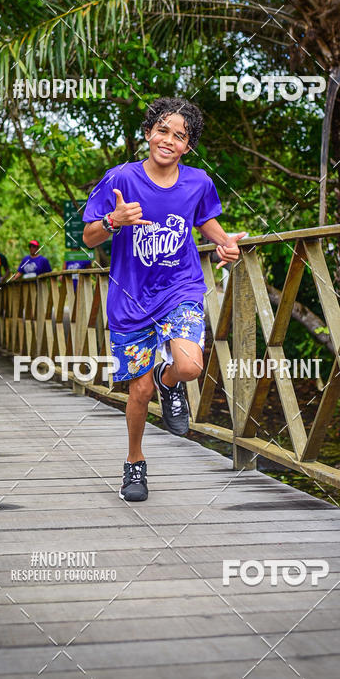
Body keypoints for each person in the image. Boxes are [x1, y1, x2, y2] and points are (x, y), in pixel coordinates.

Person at [82, 97, 246, 502]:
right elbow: (88, 237)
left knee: (189, 366)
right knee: (138, 394)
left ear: (187, 147)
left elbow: (202, 219)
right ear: (148, 133)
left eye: (179, 136)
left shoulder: (198, 182)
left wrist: (224, 242)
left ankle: (167, 380)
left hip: (180, 288)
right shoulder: (120, 178)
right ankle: (134, 463)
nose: (169, 140)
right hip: (131, 298)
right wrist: (112, 221)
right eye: (162, 130)